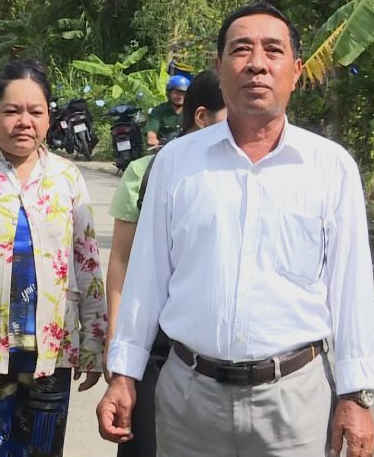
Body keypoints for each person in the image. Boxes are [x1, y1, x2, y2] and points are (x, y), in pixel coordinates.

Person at [97, 2, 374, 457]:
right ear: (220, 67)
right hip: (190, 398)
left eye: (273, 51)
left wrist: (356, 395)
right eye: (241, 50)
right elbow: (146, 279)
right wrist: (124, 375)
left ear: (296, 69)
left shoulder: (330, 169)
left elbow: (350, 290)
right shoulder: (176, 163)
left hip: (294, 402)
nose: (257, 64)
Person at [0, 59, 107, 457]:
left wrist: (94, 340)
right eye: (11, 110)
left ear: (49, 117)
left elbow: (86, 260)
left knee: (40, 451)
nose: (24, 121)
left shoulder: (66, 177)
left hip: (49, 355)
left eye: (35, 111)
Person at [104, 69, 227, 457]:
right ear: (202, 117)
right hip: (157, 346)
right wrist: (118, 346)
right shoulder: (147, 171)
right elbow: (122, 263)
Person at [144, 74, 190, 147]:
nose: (180, 96)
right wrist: (153, 140)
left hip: (187, 148)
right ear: (169, 93)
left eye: (184, 93)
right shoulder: (158, 111)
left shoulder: (192, 110)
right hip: (165, 150)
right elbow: (151, 136)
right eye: (177, 92)